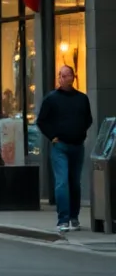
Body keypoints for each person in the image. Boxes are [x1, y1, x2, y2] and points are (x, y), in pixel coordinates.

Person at [37, 65, 94, 233]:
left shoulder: (82, 98)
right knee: (62, 182)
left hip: (77, 145)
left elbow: (88, 119)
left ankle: (74, 217)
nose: (63, 78)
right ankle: (63, 219)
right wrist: (52, 136)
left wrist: (81, 133)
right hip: (60, 145)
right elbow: (41, 121)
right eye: (61, 76)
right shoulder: (52, 98)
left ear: (73, 77)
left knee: (75, 183)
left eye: (67, 75)